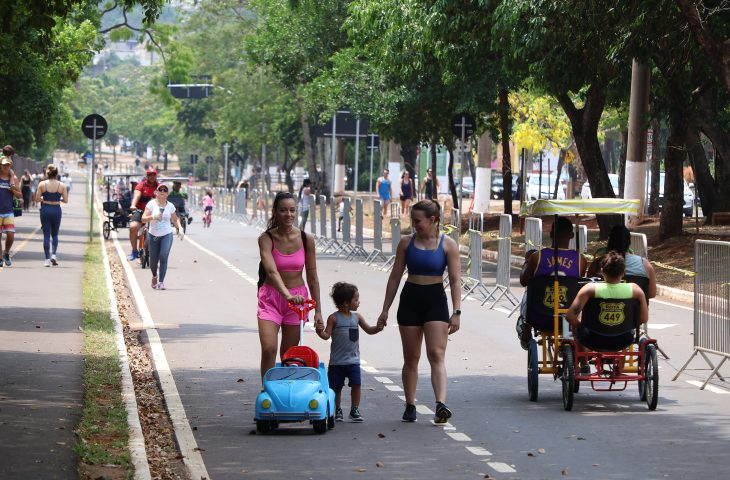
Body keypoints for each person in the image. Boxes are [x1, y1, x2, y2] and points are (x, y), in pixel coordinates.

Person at [377, 199, 462, 423]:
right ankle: (410, 404)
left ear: (432, 220)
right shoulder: (406, 243)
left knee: (436, 353)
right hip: (410, 299)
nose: (414, 224)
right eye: (412, 220)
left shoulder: (448, 245)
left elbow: (454, 281)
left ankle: (440, 404)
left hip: (435, 300)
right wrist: (385, 309)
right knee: (411, 357)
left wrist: (457, 311)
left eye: (418, 220)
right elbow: (395, 276)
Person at [257, 191, 324, 380]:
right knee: (269, 348)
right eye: (283, 210)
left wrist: (318, 310)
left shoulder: (306, 239)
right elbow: (271, 271)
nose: (289, 215)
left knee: (289, 354)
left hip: (298, 300)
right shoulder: (266, 238)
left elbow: (312, 276)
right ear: (275, 212)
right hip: (271, 298)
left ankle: (286, 393)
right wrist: (286, 295)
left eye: (292, 210)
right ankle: (267, 390)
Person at [516, 217, 588, 350]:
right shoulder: (581, 260)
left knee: (529, 290)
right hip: (569, 316)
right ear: (571, 235)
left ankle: (526, 326)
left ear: (550, 234)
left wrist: (527, 262)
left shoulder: (537, 257)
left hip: (539, 315)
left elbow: (523, 280)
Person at [315, 282, 382, 422]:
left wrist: (378, 327)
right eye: (356, 299)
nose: (358, 302)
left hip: (353, 361)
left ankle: (354, 409)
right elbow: (326, 335)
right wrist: (319, 331)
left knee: (356, 384)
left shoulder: (356, 317)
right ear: (346, 303)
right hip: (337, 362)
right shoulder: (333, 318)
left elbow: (369, 330)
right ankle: (337, 409)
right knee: (336, 387)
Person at [566, 251, 649, 363]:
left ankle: (583, 361)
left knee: (577, 324)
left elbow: (570, 316)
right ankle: (619, 363)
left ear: (602, 271)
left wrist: (580, 326)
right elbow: (643, 319)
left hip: (592, 339)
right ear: (623, 272)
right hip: (624, 339)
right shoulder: (635, 290)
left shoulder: (589, 289)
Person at [587, 225, 656, 299]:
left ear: (609, 241)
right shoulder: (644, 264)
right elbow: (651, 294)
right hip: (634, 309)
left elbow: (588, 290)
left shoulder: (597, 264)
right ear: (629, 242)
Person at [141, 183, 183, 290]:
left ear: (167, 194)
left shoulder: (170, 206)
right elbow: (143, 218)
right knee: (153, 261)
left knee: (163, 255)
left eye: (165, 190)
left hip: (166, 234)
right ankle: (154, 276)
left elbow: (175, 219)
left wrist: (180, 228)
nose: (162, 192)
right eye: (160, 190)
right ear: (157, 192)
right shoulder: (151, 204)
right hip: (153, 235)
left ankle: (161, 282)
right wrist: (153, 216)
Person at [35, 164, 69, 267]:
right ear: (56, 173)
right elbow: (66, 200)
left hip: (45, 209)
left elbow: (37, 199)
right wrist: (58, 199)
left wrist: (44, 199)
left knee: (46, 235)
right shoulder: (61, 185)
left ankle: (46, 260)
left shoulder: (42, 184)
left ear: (47, 173)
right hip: (56, 210)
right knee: (55, 234)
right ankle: (54, 255)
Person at [128, 168, 159, 261]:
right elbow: (136, 195)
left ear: (156, 176)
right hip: (140, 211)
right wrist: (133, 205)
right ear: (147, 176)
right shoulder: (141, 185)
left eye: (154, 175)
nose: (152, 176)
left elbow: (164, 197)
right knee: (133, 227)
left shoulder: (159, 187)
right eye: (150, 175)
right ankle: (134, 251)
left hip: (155, 212)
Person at [0, 155, 22, 267]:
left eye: (8, 165)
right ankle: (0, 258)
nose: (6, 167)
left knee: (10, 235)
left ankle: (6, 252)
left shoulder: (13, 179)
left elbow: (19, 195)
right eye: (4, 164)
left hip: (8, 211)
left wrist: (13, 190)